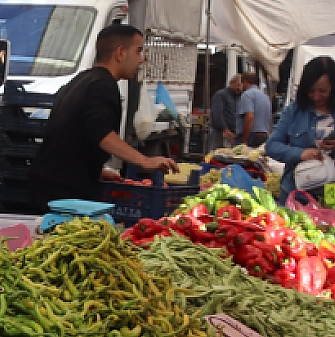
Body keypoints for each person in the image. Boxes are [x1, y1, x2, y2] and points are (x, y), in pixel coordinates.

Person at [31, 23, 175, 210]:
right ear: (120, 53)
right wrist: (145, 161)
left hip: (49, 184)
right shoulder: (103, 85)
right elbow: (101, 133)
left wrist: (97, 170)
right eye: (138, 51)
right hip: (64, 193)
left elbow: (73, 135)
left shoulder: (82, 80)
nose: (141, 60)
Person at [264, 56, 335, 209]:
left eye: (323, 91)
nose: (316, 96)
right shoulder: (295, 110)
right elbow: (272, 145)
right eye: (311, 91)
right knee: (295, 229)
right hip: (298, 187)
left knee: (333, 226)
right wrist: (300, 154)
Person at [235, 72, 272, 146]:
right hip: (263, 135)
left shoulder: (247, 95)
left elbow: (249, 116)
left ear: (245, 82)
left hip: (251, 136)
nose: (240, 87)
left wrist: (244, 139)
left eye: (241, 83)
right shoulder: (265, 97)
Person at [210, 74, 243, 147]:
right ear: (231, 83)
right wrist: (225, 129)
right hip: (220, 132)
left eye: (241, 86)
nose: (239, 88)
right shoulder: (220, 95)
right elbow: (217, 114)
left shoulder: (240, 97)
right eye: (238, 85)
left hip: (233, 133)